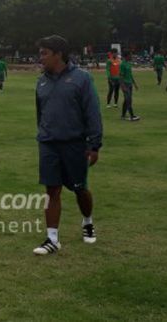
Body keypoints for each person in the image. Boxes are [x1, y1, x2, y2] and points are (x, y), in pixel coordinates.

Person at [32, 35, 102, 256]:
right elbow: (40, 114)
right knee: (52, 190)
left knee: (80, 189)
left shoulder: (82, 79)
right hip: (48, 143)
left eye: (44, 53)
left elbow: (92, 113)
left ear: (58, 54)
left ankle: (87, 222)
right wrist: (43, 133)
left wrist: (94, 145)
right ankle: (52, 239)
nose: (40, 57)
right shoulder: (41, 82)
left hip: (74, 144)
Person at [119, 52, 141, 121]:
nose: (131, 57)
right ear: (126, 56)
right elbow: (121, 76)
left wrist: (135, 84)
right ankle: (132, 116)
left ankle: (123, 115)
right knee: (129, 100)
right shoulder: (122, 64)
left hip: (130, 84)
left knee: (126, 100)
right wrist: (123, 86)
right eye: (130, 55)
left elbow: (130, 75)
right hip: (125, 84)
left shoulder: (129, 64)